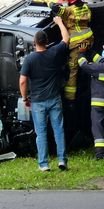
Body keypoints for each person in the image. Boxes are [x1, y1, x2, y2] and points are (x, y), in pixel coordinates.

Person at [19, 15, 70, 172]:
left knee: (40, 133)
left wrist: (25, 98)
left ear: (35, 43)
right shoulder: (54, 53)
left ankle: (44, 164)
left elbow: (22, 81)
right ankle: (62, 161)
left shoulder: (29, 59)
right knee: (59, 130)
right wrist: (59, 22)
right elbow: (66, 38)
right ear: (47, 42)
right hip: (54, 99)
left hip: (38, 101)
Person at [52, 0, 93, 102]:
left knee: (73, 70)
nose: (62, 2)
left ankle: (70, 98)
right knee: (86, 61)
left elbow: (55, 8)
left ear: (69, 0)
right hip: (89, 39)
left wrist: (47, 1)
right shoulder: (85, 7)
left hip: (76, 44)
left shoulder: (68, 11)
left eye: (63, 0)